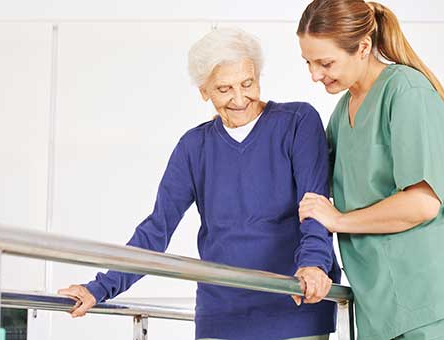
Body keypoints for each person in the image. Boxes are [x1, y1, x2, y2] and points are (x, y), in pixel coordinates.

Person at [58, 27, 341, 340]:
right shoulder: (194, 147)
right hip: (222, 316)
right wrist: (99, 288)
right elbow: (156, 230)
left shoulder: (297, 122)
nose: (239, 98)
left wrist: (314, 264)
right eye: (223, 89)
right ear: (203, 91)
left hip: (295, 307)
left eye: (248, 83)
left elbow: (315, 204)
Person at [296, 1, 444, 339]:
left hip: (437, 298)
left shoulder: (407, 91)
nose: (314, 74)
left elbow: (422, 203)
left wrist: (337, 219)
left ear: (363, 47)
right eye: (308, 63)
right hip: (383, 306)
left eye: (325, 62)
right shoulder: (342, 114)